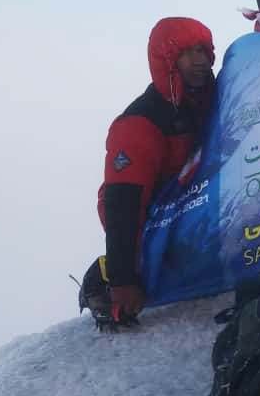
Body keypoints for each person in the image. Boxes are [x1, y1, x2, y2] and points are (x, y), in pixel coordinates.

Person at [78, 17, 216, 329]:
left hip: (193, 202)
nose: (200, 61)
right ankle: (104, 276)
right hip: (149, 215)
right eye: (187, 53)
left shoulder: (208, 99)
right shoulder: (139, 124)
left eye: (203, 50)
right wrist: (124, 280)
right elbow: (122, 204)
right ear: (167, 61)